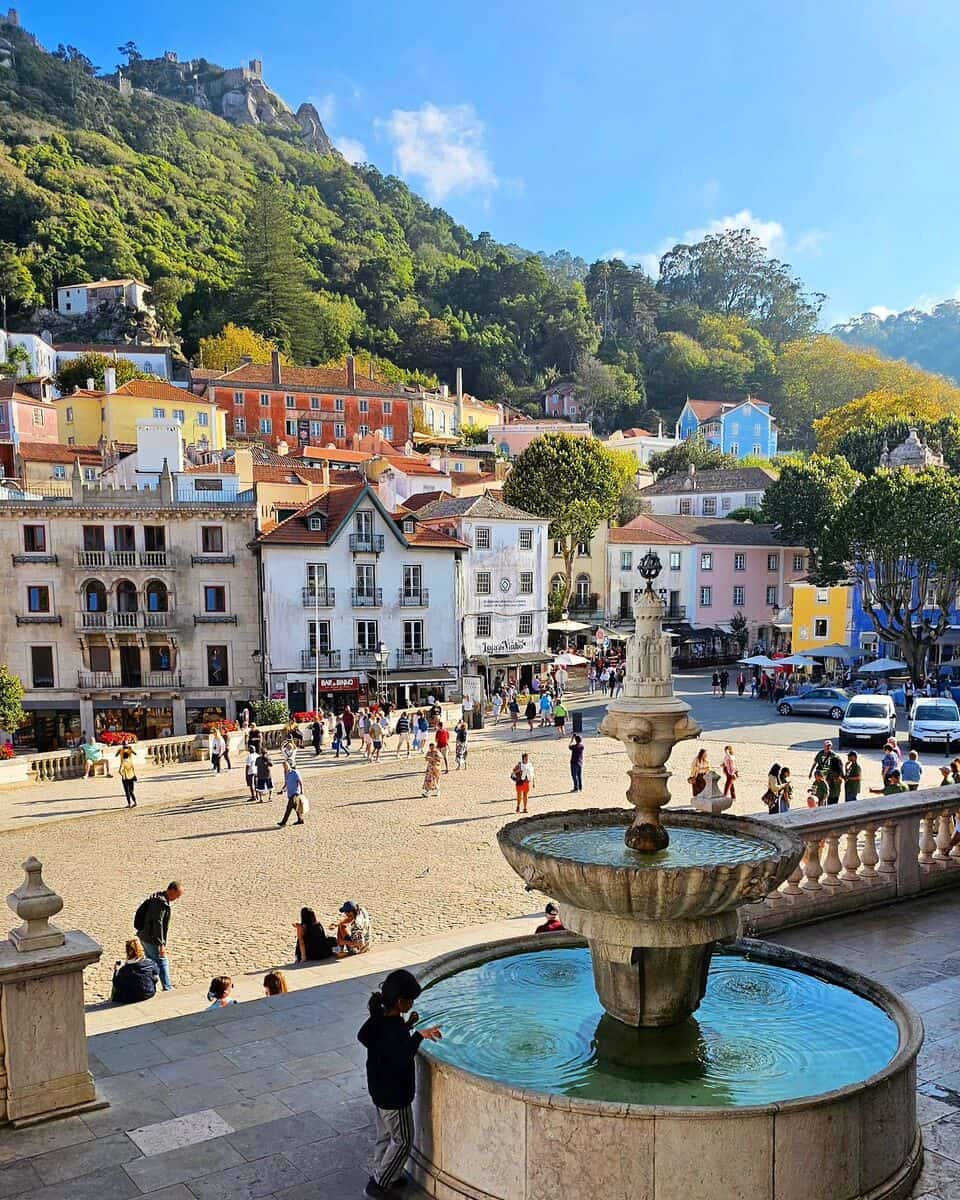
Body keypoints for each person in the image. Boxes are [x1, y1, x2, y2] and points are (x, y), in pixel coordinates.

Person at [358, 968, 442, 1199]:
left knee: (385, 1136)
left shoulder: (380, 1019)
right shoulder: (394, 1027)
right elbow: (401, 1057)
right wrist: (418, 1035)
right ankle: (379, 1184)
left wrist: (407, 1026)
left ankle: (386, 1173)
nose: (412, 1004)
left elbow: (368, 1037)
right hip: (395, 1097)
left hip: (379, 1090)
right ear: (399, 1001)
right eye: (410, 1000)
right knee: (403, 1140)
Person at [134, 882, 183, 992]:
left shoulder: (158, 898)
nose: (177, 898)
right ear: (172, 890)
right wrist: (161, 944)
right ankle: (168, 987)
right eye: (177, 895)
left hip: (144, 935)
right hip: (151, 938)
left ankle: (150, 987)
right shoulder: (160, 903)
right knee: (162, 960)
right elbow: (158, 924)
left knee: (151, 962)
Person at [112, 937, 159, 1004]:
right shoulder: (149, 963)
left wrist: (116, 971)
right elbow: (156, 973)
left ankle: (113, 999)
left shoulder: (125, 969)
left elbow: (116, 983)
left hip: (130, 998)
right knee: (152, 975)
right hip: (149, 993)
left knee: (120, 980)